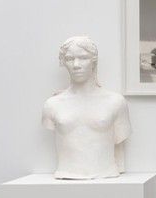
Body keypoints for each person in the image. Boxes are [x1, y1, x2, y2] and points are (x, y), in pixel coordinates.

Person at [42, 36, 131, 179]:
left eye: (83, 58)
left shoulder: (116, 102)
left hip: (106, 173)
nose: (76, 64)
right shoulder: (52, 104)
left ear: (94, 61)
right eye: (70, 59)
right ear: (64, 62)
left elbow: (120, 139)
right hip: (65, 173)